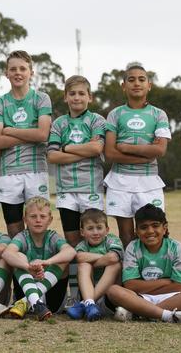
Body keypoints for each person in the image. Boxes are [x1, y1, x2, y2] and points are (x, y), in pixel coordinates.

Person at [47, 75, 106, 303]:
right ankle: (74, 295)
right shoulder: (59, 123)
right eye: (72, 93)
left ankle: (93, 294)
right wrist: (83, 149)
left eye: (82, 93)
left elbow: (96, 148)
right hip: (67, 192)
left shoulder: (97, 120)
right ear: (65, 97)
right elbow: (52, 156)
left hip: (90, 189)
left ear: (89, 97)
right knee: (72, 244)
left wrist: (68, 147)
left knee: (94, 241)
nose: (77, 97)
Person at [103, 63, 171, 247]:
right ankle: (129, 273)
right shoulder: (115, 114)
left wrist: (125, 147)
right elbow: (109, 152)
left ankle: (153, 273)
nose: (136, 83)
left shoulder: (159, 114)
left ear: (149, 85)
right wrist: (146, 155)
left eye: (142, 79)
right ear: (123, 85)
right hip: (120, 181)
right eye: (131, 79)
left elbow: (160, 150)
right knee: (126, 235)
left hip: (149, 181)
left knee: (153, 233)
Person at [0, 50, 52, 238]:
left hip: (36, 172)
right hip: (9, 173)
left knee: (38, 225)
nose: (18, 73)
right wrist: (29, 134)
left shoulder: (41, 99)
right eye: (13, 69)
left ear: (31, 72)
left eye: (23, 69)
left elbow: (42, 134)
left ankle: (38, 265)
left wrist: (10, 130)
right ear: (6, 73)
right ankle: (19, 267)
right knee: (14, 229)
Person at [106, 204, 181, 323]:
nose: (150, 231)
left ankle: (139, 313)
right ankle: (168, 315)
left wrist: (143, 289)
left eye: (155, 226)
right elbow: (130, 285)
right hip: (139, 297)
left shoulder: (176, 247)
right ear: (137, 231)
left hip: (171, 297)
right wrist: (166, 281)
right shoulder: (133, 247)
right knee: (113, 291)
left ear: (165, 228)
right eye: (144, 227)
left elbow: (180, 286)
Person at [2, 196, 76, 321]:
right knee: (17, 256)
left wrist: (47, 262)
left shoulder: (52, 237)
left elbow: (71, 251)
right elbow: (6, 254)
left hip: (51, 302)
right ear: (25, 219)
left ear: (50, 220)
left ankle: (31, 300)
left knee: (63, 259)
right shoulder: (22, 236)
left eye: (42, 216)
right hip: (25, 293)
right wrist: (28, 267)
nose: (38, 220)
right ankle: (36, 302)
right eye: (33, 216)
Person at [66, 209, 122, 321]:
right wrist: (103, 258)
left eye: (99, 227)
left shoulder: (112, 240)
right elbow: (80, 257)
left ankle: (86, 303)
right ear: (82, 232)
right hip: (87, 291)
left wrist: (92, 261)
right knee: (83, 265)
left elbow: (113, 257)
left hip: (110, 296)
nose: (95, 232)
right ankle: (90, 303)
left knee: (115, 265)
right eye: (90, 228)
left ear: (107, 230)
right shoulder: (82, 245)